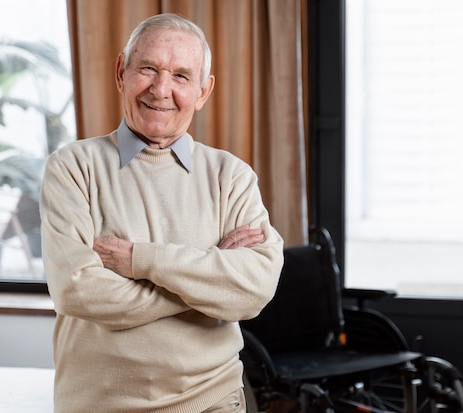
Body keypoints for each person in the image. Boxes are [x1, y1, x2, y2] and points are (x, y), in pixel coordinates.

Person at [40, 12, 284, 413]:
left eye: (181, 76)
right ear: (122, 71)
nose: (161, 89)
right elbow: (77, 291)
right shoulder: (72, 168)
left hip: (211, 400)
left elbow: (253, 290)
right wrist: (209, 282)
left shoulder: (232, 177)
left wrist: (141, 260)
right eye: (148, 68)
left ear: (203, 92)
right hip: (98, 404)